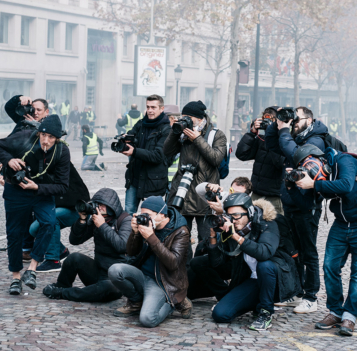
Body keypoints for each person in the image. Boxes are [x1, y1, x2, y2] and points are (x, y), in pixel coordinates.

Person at [293, 145, 357, 336]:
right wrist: (295, 182)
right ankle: (335, 311)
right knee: (330, 267)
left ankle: (349, 316)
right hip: (342, 223)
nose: (310, 171)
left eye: (310, 166)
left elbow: (346, 185)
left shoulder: (344, 160)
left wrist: (314, 185)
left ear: (319, 159)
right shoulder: (325, 174)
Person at [0, 115, 71, 295]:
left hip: (41, 192)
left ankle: (32, 269)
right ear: (39, 132)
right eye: (44, 135)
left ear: (57, 138)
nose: (46, 141)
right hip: (15, 190)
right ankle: (16, 277)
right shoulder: (25, 137)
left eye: (51, 137)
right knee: (15, 233)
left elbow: (63, 186)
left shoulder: (62, 151)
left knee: (49, 223)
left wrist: (38, 187)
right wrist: (8, 160)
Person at [265, 106, 328, 314]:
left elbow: (293, 153)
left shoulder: (316, 140)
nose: (293, 122)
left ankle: (311, 296)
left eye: (296, 119)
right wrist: (277, 126)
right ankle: (297, 292)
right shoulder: (297, 135)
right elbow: (274, 146)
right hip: (291, 201)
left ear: (309, 120)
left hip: (307, 205)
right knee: (295, 251)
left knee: (309, 252)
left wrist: (284, 131)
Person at [209, 193, 300, 331]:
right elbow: (217, 263)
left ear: (250, 212)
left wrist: (235, 237)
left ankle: (266, 312)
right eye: (230, 216)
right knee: (220, 314)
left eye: (237, 215)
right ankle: (256, 302)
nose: (233, 220)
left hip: (275, 279)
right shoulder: (234, 227)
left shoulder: (267, 223)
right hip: (252, 280)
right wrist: (213, 236)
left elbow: (264, 253)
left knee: (265, 265)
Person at [108, 196, 193, 326]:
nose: (145, 218)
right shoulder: (147, 225)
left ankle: (171, 304)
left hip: (162, 282)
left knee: (147, 319)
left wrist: (151, 237)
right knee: (115, 270)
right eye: (142, 214)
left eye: (148, 215)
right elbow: (131, 252)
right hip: (143, 275)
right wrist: (135, 233)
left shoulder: (181, 231)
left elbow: (173, 263)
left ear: (162, 215)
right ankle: (136, 302)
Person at [42, 188, 131, 302]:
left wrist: (102, 226)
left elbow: (121, 246)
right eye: (97, 205)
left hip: (116, 279)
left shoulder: (125, 220)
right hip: (98, 273)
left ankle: (63, 293)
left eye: (102, 205)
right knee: (74, 258)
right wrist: (82, 220)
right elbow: (75, 240)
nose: (99, 208)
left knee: (108, 288)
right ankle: (61, 286)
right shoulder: (97, 220)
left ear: (111, 206)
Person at [163, 100, 227, 251]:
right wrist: (175, 131)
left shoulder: (216, 135)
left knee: (206, 241)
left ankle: (200, 271)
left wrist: (197, 139)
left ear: (199, 118)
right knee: (180, 240)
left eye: (188, 117)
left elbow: (216, 159)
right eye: (183, 117)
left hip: (205, 196)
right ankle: (184, 272)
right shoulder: (182, 134)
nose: (185, 120)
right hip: (182, 193)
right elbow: (166, 151)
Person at [187, 177, 254, 302]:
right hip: (216, 247)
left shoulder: (246, 210)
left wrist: (221, 212)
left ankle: (225, 295)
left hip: (235, 255)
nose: (232, 195)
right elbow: (198, 189)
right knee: (190, 283)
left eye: (238, 194)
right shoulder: (223, 197)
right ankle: (218, 289)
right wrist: (210, 187)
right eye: (231, 190)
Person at [29, 162, 89, 272]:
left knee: (51, 218)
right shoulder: (37, 162)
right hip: (60, 206)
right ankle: (61, 251)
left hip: (76, 208)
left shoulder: (57, 161)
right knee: (34, 228)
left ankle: (53, 260)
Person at [121, 95, 171, 214]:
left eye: (153, 107)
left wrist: (135, 151)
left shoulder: (166, 130)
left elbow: (157, 156)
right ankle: (128, 233)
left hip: (153, 181)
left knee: (150, 216)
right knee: (128, 213)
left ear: (161, 108)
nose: (150, 110)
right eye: (148, 107)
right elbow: (131, 135)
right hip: (135, 177)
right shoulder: (141, 123)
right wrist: (125, 140)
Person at [235, 107, 286, 214]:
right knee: (252, 226)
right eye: (265, 119)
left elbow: (279, 163)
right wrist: (252, 133)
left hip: (276, 197)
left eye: (270, 120)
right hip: (257, 194)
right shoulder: (261, 139)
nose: (267, 123)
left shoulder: (285, 140)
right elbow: (241, 154)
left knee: (277, 228)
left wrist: (273, 138)